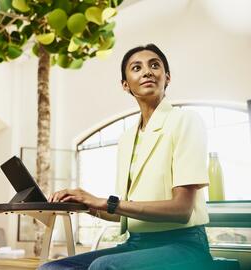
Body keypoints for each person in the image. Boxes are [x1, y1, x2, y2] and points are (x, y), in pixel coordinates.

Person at [39, 44, 213, 270]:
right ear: (125, 85)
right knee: (52, 268)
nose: (147, 72)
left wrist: (107, 202)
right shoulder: (127, 139)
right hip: (136, 244)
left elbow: (182, 210)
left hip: (184, 244)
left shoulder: (186, 121)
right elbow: (123, 214)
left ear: (167, 77)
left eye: (154, 65)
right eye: (136, 68)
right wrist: (86, 203)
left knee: (103, 266)